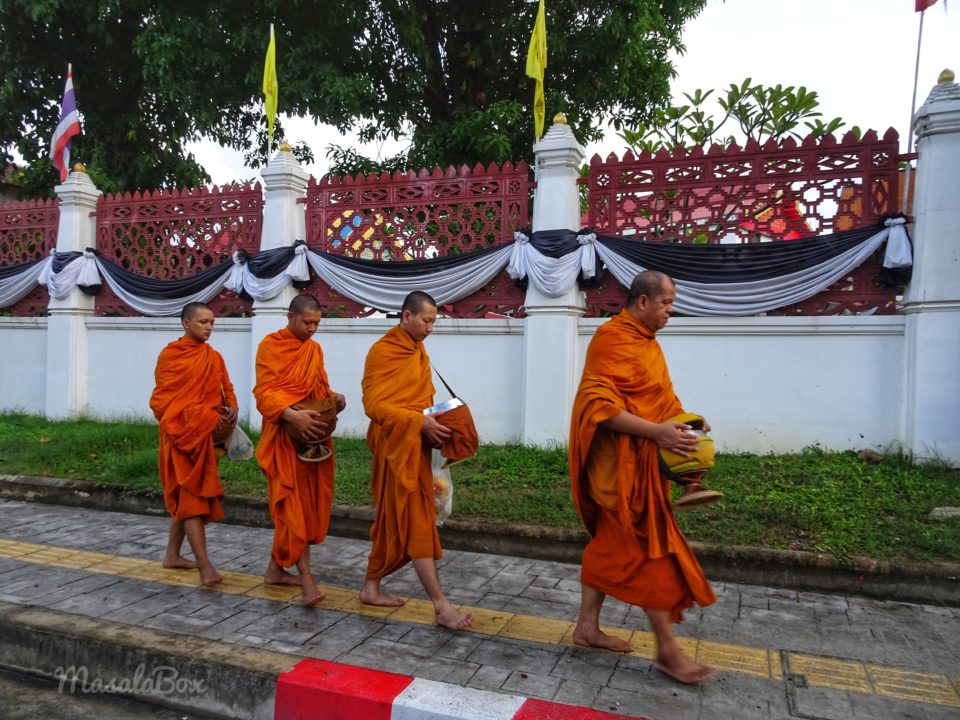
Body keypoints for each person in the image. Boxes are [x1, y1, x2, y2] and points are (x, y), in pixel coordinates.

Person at [568, 270, 717, 684]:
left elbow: (661, 399)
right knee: (653, 555)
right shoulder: (611, 339)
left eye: (673, 303)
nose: (672, 310)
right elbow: (597, 406)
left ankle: (586, 627)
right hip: (615, 472)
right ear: (643, 302)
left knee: (607, 550)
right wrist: (656, 432)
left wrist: (687, 424)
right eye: (667, 303)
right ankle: (669, 651)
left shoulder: (648, 344)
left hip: (642, 464)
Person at [357, 291, 473, 631]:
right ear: (406, 316)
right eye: (426, 320)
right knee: (417, 521)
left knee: (392, 520)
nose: (430, 327)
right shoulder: (382, 352)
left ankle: (370, 587)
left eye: (434, 322)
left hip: (414, 445)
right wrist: (415, 422)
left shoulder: (418, 351)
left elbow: (420, 399)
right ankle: (441, 606)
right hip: (394, 448)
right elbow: (374, 406)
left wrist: (436, 420)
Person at [253, 294, 345, 607]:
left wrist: (335, 399)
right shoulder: (271, 346)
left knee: (304, 508)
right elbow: (264, 394)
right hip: (284, 440)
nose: (312, 328)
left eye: (317, 323)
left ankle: (275, 571)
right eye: (307, 322)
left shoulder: (314, 349)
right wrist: (291, 415)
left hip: (313, 443)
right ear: (291, 317)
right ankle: (307, 580)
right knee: (292, 507)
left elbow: (317, 389)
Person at [150, 302, 238, 586]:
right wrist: (195, 419)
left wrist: (231, 411)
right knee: (191, 502)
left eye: (212, 322)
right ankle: (205, 566)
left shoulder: (214, 357)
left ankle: (172, 555)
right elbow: (163, 402)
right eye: (203, 322)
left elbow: (228, 390)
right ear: (186, 324)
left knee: (188, 497)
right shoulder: (171, 356)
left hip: (205, 437)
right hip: (180, 437)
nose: (209, 327)